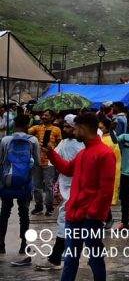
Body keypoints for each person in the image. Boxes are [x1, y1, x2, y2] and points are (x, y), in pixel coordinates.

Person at [45, 112, 116, 281]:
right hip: (75, 214)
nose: (73, 132)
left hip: (90, 217)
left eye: (75, 128)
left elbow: (106, 190)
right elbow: (68, 169)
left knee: (95, 258)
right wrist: (51, 153)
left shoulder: (104, 154)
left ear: (83, 128)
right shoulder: (84, 153)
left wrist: (93, 213)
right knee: (71, 258)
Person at [35, 114, 85, 271]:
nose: (64, 129)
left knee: (66, 222)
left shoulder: (80, 147)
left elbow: (68, 168)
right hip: (66, 187)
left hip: (74, 189)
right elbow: (57, 160)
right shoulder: (65, 142)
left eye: (68, 127)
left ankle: (56, 258)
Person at [0, 113, 39, 256]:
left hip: (7, 181)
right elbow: (37, 162)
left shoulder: (5, 140)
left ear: (14, 125)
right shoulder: (33, 140)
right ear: (27, 125)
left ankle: (1, 244)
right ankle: (24, 245)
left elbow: (1, 160)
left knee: (4, 213)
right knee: (24, 214)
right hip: (25, 182)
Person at [27, 109, 61, 216]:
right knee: (36, 185)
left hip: (49, 162)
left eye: (46, 115)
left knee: (48, 186)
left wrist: (53, 150)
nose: (44, 117)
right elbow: (26, 131)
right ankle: (38, 206)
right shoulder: (37, 128)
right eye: (43, 115)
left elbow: (60, 144)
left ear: (52, 117)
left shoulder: (56, 129)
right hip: (37, 160)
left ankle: (49, 207)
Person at [98, 117, 121, 206]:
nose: (99, 130)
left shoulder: (109, 141)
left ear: (107, 128)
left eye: (101, 128)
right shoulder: (110, 138)